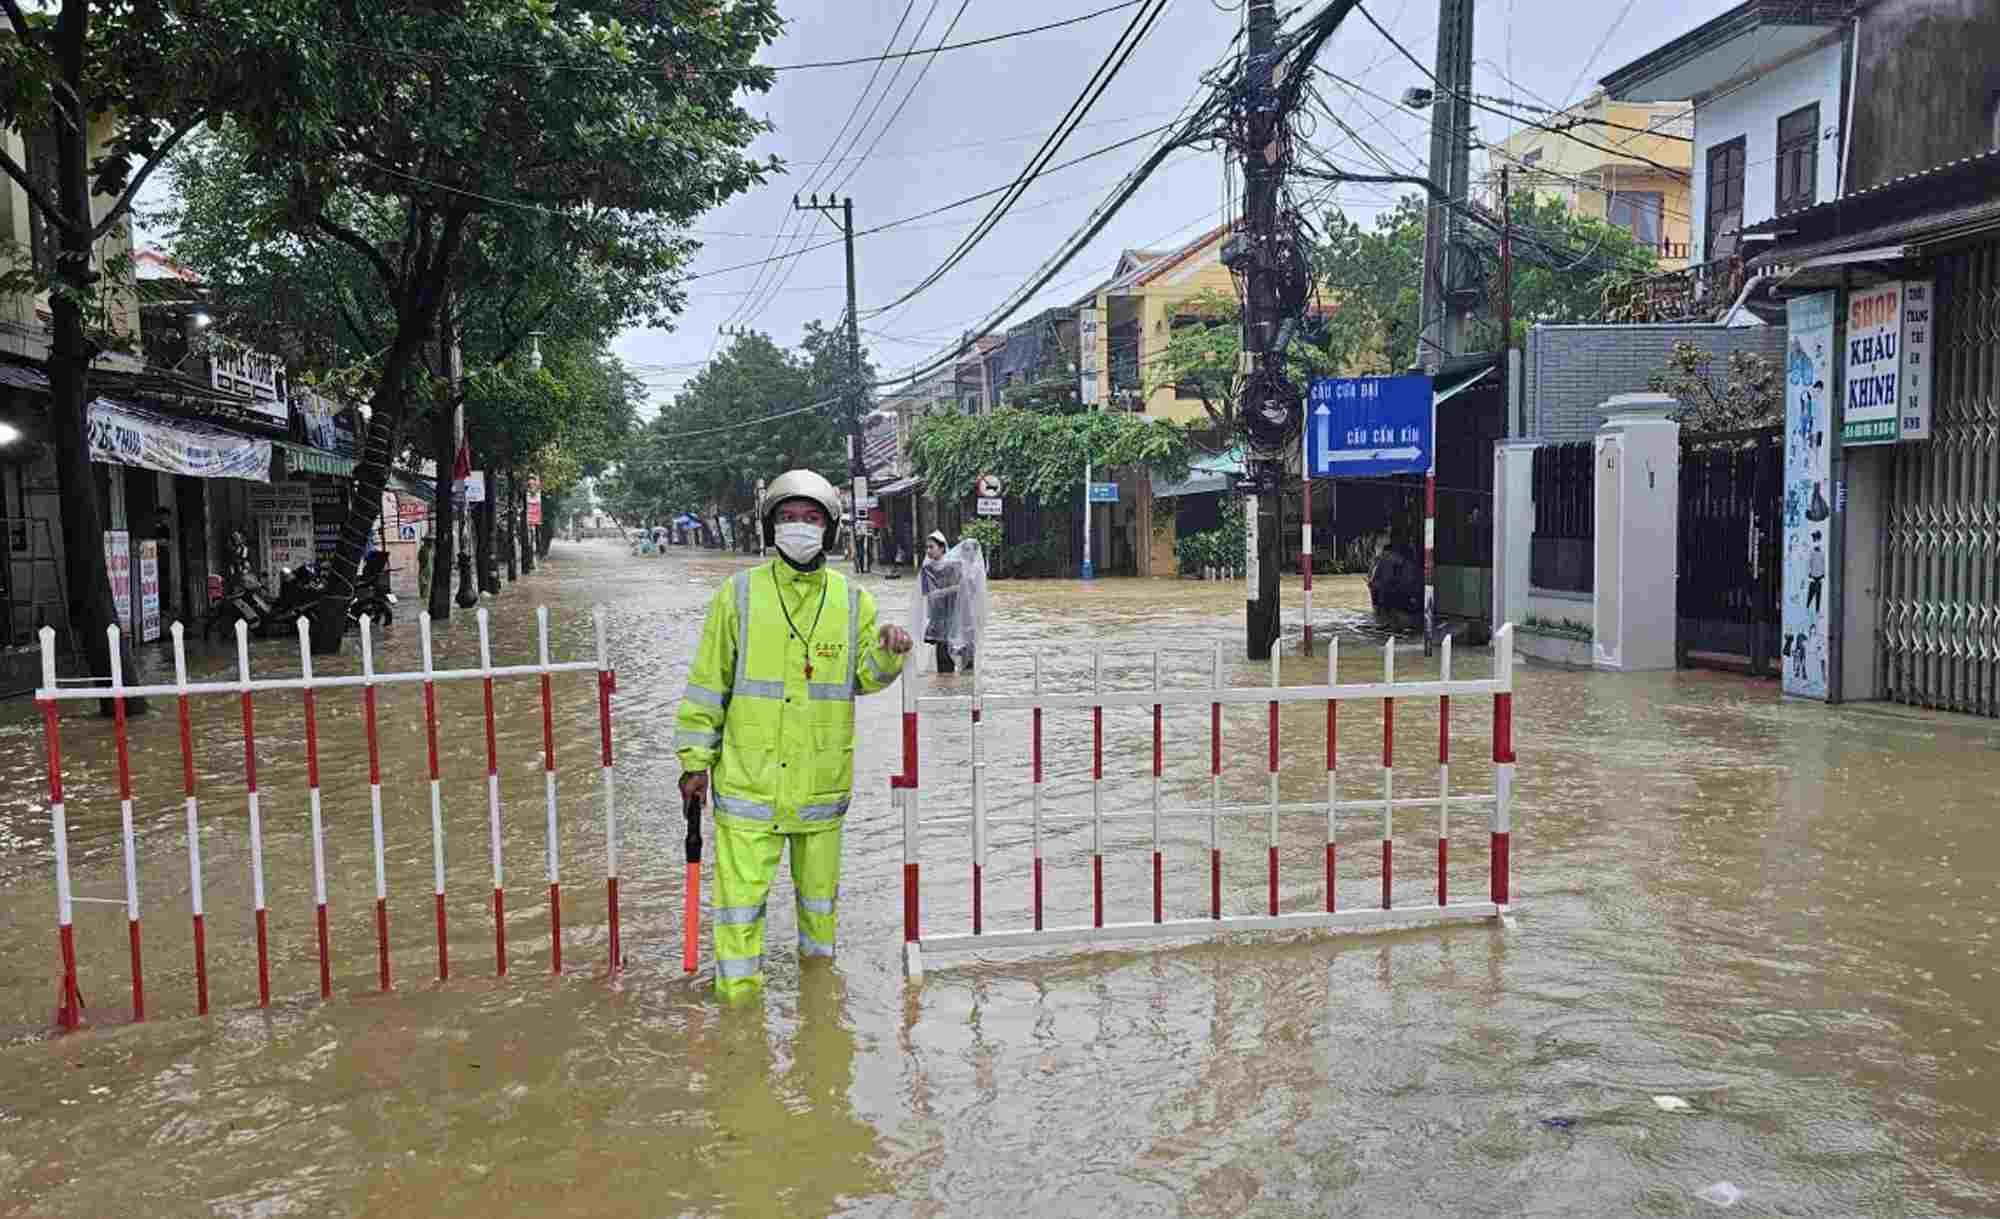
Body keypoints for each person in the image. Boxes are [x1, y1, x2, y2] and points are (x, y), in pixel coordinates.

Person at [675, 469, 913, 998]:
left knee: (820, 912)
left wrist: (890, 654)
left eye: (811, 519)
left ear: (828, 530)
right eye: (788, 518)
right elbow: (707, 685)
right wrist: (695, 761)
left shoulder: (853, 602)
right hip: (746, 787)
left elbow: (862, 679)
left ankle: (820, 1007)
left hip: (820, 787)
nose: (799, 527)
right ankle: (736, 1018)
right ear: (771, 526)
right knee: (738, 911)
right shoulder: (737, 596)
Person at [920, 530, 961, 673]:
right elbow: (927, 594)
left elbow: (962, 590)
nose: (928, 551)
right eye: (926, 547)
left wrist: (943, 592)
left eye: (931, 547)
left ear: (942, 548)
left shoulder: (954, 566)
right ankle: (944, 690)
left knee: (957, 660)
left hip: (953, 618)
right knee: (942, 662)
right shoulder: (926, 569)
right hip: (938, 620)